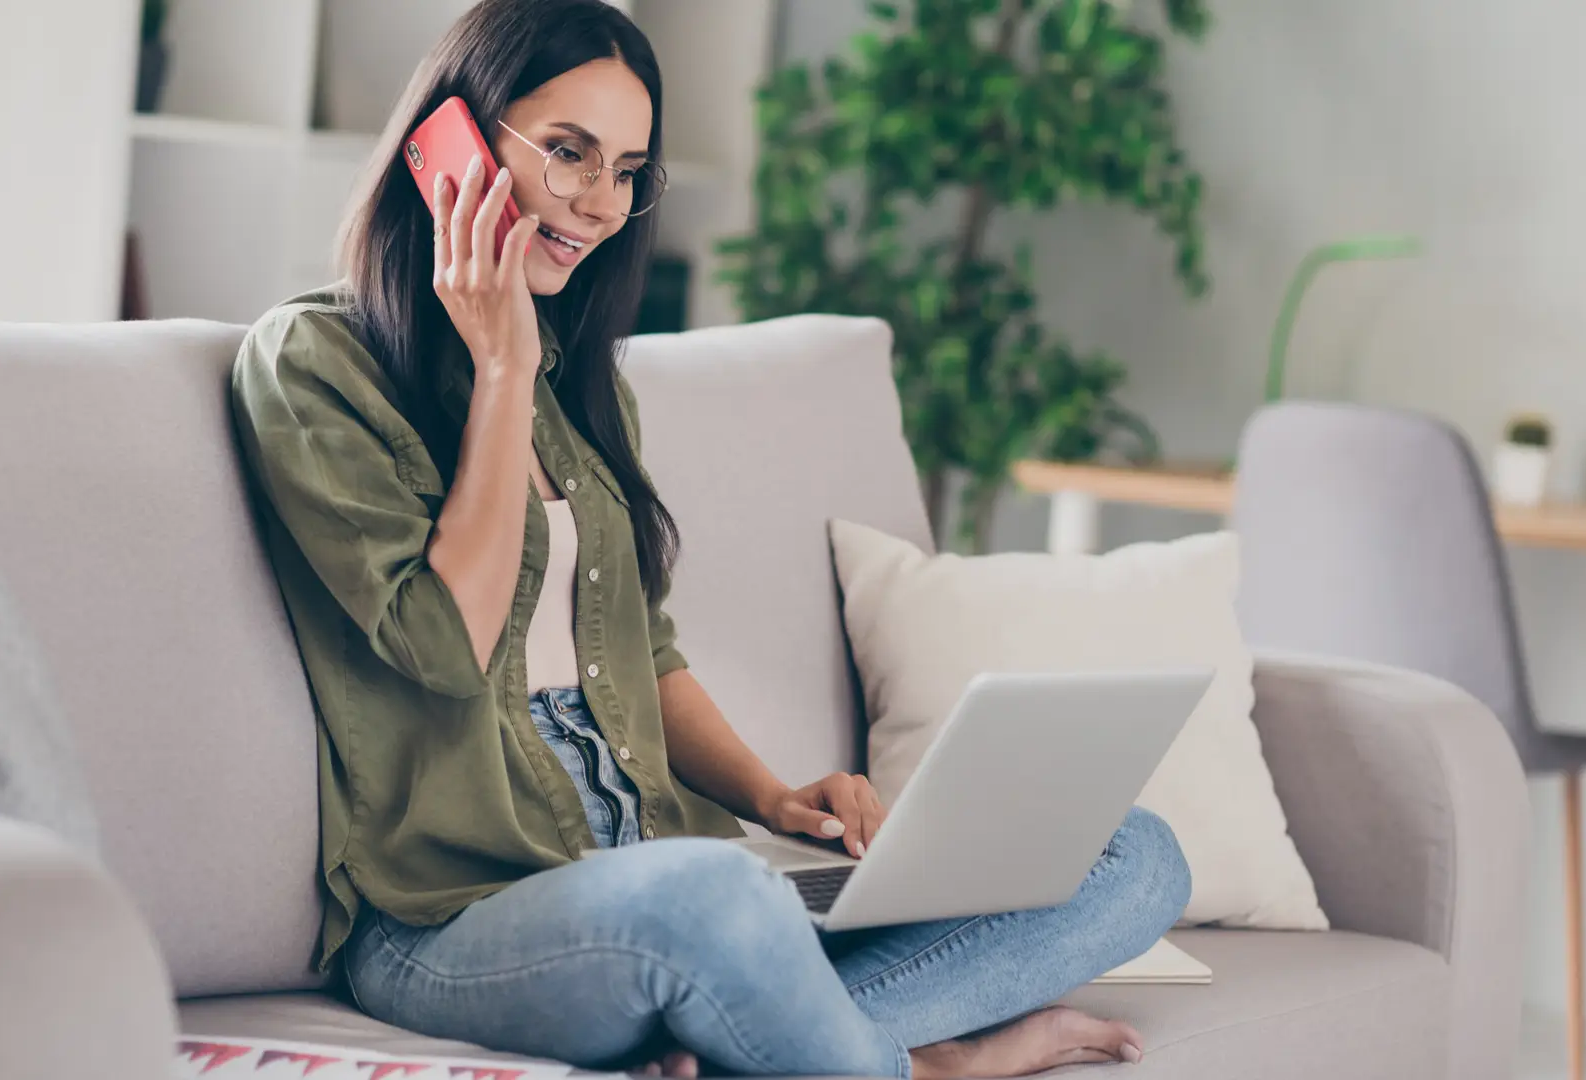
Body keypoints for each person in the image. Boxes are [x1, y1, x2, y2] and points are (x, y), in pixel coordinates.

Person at [230, 1, 1190, 1075]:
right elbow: (447, 644)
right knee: (717, 900)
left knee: (1133, 858)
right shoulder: (313, 364)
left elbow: (643, 653)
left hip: (671, 886)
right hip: (458, 923)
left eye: (629, 168)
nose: (599, 204)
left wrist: (775, 797)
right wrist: (497, 369)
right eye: (568, 154)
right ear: (446, 146)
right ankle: (922, 1063)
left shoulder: (581, 390)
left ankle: (780, 1031)